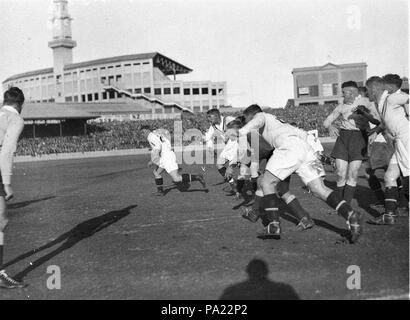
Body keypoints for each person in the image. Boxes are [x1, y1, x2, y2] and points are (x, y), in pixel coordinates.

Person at [238, 104, 362, 243]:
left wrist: (241, 131)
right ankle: (350, 214)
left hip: (288, 147)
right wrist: (318, 156)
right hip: (304, 148)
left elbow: (258, 119)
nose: (247, 121)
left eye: (246, 118)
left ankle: (273, 225)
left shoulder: (262, 117)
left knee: (266, 182)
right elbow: (304, 135)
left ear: (252, 115)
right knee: (318, 189)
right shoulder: (279, 124)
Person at [323, 81, 378, 207]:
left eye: (344, 92)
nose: (342, 95)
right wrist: (330, 126)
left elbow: (376, 120)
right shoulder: (341, 107)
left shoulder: (366, 102)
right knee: (340, 173)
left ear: (353, 92)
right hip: (343, 139)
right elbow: (326, 121)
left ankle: (345, 206)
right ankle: (340, 204)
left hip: (359, 139)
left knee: (353, 173)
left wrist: (366, 116)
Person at [366, 76, 409, 225]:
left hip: (406, 139)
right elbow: (386, 123)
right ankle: (389, 215)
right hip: (399, 142)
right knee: (390, 176)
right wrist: (377, 131)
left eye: (367, 90)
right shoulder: (381, 103)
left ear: (373, 89)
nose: (366, 94)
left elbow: (408, 99)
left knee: (408, 177)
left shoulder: (391, 98)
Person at [0, 87, 26, 289]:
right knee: (1, 220)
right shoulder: (15, 119)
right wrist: (6, 182)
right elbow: (7, 149)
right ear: (19, 104)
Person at [147, 129, 207, 195]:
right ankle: (160, 191)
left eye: (142, 131)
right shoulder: (157, 133)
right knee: (156, 173)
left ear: (145, 130)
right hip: (165, 155)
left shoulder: (150, 137)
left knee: (176, 178)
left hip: (167, 157)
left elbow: (158, 146)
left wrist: (152, 160)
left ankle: (197, 177)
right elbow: (166, 141)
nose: (142, 134)